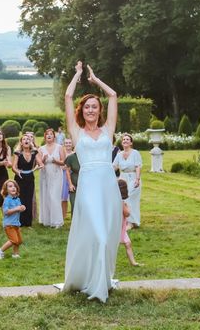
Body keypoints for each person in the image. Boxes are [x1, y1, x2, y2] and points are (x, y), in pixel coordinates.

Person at [62, 61, 121, 302]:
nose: (91, 110)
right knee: (98, 234)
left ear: (100, 110)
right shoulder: (77, 133)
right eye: (87, 107)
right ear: (81, 110)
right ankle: (95, 287)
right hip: (87, 187)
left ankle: (102, 280)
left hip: (108, 186)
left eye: (95, 107)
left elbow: (114, 95)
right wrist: (77, 75)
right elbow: (67, 96)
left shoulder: (108, 130)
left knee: (107, 237)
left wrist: (95, 80)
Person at [113, 133, 143, 229]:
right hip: (123, 178)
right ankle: (126, 221)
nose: (125, 141)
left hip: (133, 177)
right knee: (123, 199)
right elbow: (114, 166)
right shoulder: (119, 154)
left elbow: (138, 166)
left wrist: (137, 179)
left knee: (130, 199)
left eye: (127, 139)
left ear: (131, 143)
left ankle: (131, 222)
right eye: (124, 139)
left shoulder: (135, 153)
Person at [12, 134, 42, 227]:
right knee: (20, 199)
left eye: (28, 139)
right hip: (20, 178)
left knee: (29, 199)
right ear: (21, 142)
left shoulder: (34, 153)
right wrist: (18, 172)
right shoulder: (17, 153)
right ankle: (19, 222)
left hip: (30, 178)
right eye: (24, 139)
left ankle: (28, 223)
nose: (26, 141)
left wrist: (34, 169)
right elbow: (13, 167)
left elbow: (41, 164)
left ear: (30, 142)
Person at [38, 128, 66, 228]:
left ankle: (57, 221)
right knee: (46, 196)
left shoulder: (59, 147)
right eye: (47, 134)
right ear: (45, 137)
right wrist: (43, 159)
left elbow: (64, 162)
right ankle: (48, 220)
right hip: (45, 175)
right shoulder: (41, 149)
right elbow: (39, 163)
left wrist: (55, 161)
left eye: (51, 134)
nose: (49, 135)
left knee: (54, 197)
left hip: (56, 174)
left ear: (54, 136)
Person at [0, 179, 25, 259]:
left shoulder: (17, 199)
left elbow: (19, 208)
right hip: (9, 224)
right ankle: (0, 250)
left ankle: (15, 254)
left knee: (19, 240)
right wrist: (17, 209)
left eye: (14, 186)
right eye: (10, 186)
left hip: (16, 223)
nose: (13, 188)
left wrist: (22, 208)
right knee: (14, 240)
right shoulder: (7, 200)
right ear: (6, 190)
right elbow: (6, 212)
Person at [118, 179, 142, 266]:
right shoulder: (121, 202)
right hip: (118, 227)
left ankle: (133, 262)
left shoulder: (116, 200)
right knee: (125, 244)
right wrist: (127, 207)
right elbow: (127, 213)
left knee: (128, 243)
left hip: (120, 227)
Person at [61, 138, 77, 218]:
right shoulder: (62, 153)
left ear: (72, 144)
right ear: (64, 144)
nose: (68, 144)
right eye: (66, 143)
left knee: (73, 196)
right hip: (63, 176)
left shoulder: (75, 154)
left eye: (69, 143)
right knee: (64, 198)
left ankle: (74, 213)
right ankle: (63, 216)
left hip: (73, 176)